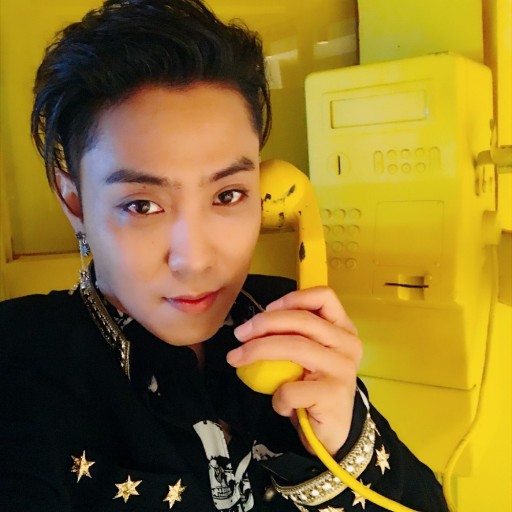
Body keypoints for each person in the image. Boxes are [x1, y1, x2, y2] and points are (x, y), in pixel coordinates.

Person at [0, 1, 449, 511]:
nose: (194, 261)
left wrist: (343, 440)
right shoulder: (20, 361)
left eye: (228, 195)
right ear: (75, 203)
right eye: (142, 205)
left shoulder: (282, 320)